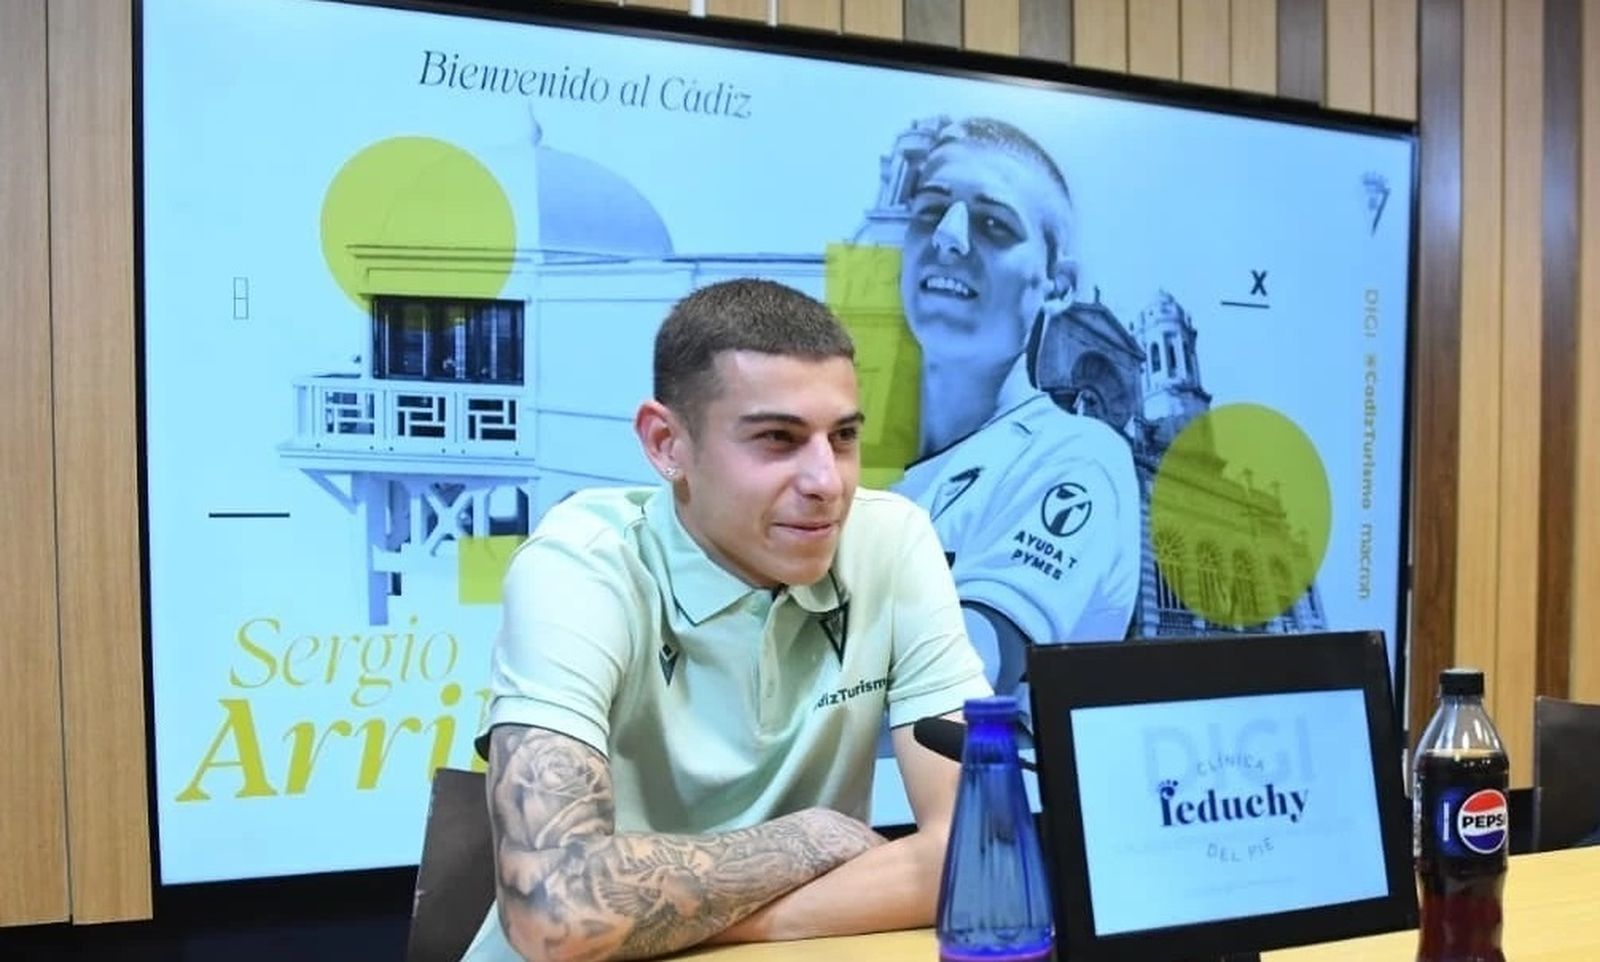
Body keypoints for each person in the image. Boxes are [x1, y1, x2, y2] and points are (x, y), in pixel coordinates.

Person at [462, 278, 992, 962]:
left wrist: (710, 921)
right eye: (777, 438)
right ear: (666, 444)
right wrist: (814, 840)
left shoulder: (892, 539)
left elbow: (985, 847)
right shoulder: (580, 563)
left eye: (844, 437)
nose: (826, 481)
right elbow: (556, 912)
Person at [891, 117, 1141, 696]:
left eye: (994, 224)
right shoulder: (872, 485)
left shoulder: (1079, 454)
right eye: (929, 212)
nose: (947, 237)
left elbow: (959, 678)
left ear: (1058, 285)